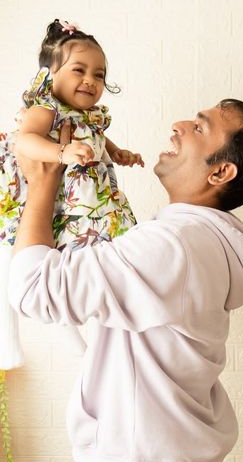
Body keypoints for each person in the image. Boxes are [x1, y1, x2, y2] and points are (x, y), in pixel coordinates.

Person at [9, 98, 243, 462]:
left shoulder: (173, 245)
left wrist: (42, 184)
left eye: (199, 127)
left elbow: (32, 289)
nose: (178, 125)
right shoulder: (199, 240)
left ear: (220, 172)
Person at [0, 19, 143, 369]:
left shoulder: (89, 116)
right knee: (29, 257)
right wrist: (61, 153)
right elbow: (25, 140)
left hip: (80, 199)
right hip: (36, 194)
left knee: (71, 260)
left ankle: (73, 323)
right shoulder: (46, 107)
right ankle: (21, 335)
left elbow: (99, 139)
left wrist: (118, 152)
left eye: (99, 75)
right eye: (79, 70)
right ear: (50, 75)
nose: (90, 81)